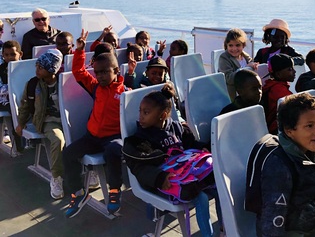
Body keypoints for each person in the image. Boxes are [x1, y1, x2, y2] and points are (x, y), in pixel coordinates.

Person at [123, 87, 220, 237]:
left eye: (146, 113)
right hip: (163, 181)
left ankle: (224, 229)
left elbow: (191, 144)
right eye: (140, 111)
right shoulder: (140, 140)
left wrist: (205, 149)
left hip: (187, 174)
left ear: (163, 115)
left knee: (220, 188)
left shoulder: (176, 128)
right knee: (201, 198)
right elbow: (140, 168)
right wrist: (159, 178)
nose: (140, 117)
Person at [255, 93, 315, 237]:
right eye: (309, 126)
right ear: (289, 131)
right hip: (289, 231)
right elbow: (273, 220)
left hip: (314, 222)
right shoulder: (279, 165)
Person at [63, 30, 126, 218]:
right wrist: (80, 50)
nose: (100, 76)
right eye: (97, 72)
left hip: (112, 138)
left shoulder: (125, 93)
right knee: (68, 153)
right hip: (91, 137)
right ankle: (78, 193)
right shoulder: (96, 87)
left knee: (114, 150)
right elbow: (79, 72)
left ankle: (114, 191)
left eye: (105, 72)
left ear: (116, 71)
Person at [16, 49, 65, 199]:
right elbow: (25, 105)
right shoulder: (33, 84)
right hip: (48, 121)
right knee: (58, 140)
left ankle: (92, 171)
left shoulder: (65, 82)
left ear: (52, 70)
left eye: (41, 67)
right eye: (37, 66)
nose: (37, 69)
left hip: (67, 121)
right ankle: (56, 178)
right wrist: (21, 123)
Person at [218, 28, 257, 100]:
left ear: (243, 45)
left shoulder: (246, 57)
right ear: (226, 45)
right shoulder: (224, 58)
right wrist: (246, 69)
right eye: (230, 45)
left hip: (246, 92)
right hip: (232, 96)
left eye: (237, 45)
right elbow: (228, 78)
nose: (234, 49)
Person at [262, 53, 296, 134]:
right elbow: (294, 105)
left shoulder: (274, 86)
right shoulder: (278, 90)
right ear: (278, 74)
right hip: (276, 129)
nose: (294, 71)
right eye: (290, 69)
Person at [0, 40, 24, 154]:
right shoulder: (1, 69)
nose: (9, 57)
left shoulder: (25, 67)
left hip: (23, 98)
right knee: (15, 112)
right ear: (2, 55)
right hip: (5, 101)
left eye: (13, 54)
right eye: (6, 55)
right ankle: (19, 145)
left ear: (20, 54)